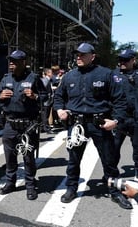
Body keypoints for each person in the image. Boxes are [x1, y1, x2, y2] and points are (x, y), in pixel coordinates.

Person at [53, 43, 132, 209]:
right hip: (76, 125)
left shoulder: (106, 74)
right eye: (77, 55)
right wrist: (60, 110)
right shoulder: (69, 76)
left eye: (82, 55)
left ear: (92, 56)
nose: (78, 57)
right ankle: (71, 188)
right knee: (73, 160)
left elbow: (120, 100)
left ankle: (115, 192)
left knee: (109, 161)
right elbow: (59, 97)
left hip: (100, 124)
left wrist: (115, 121)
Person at [0, 50, 44, 200]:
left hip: (27, 125)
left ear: (23, 62)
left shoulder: (34, 78)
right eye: (10, 60)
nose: (11, 63)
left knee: (28, 157)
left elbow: (46, 98)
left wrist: (35, 96)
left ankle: (30, 185)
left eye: (15, 61)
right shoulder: (5, 79)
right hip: (10, 124)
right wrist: (0, 96)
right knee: (10, 157)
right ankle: (10, 182)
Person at [112, 49, 138, 179]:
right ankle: (111, 174)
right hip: (118, 119)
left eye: (125, 60)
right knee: (113, 149)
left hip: (135, 119)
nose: (122, 62)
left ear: (134, 60)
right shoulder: (113, 75)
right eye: (120, 59)